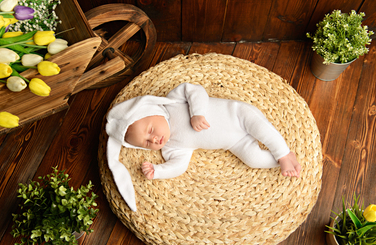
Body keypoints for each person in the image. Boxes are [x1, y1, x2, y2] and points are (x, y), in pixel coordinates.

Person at [106, 83, 301, 211]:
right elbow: (179, 166)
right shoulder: (170, 147)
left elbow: (193, 89)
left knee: (262, 129)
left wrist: (196, 113)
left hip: (238, 115)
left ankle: (283, 153)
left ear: (152, 111)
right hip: (235, 143)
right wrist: (158, 171)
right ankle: (281, 162)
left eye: (150, 129)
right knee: (253, 160)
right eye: (147, 143)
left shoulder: (173, 103)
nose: (154, 139)